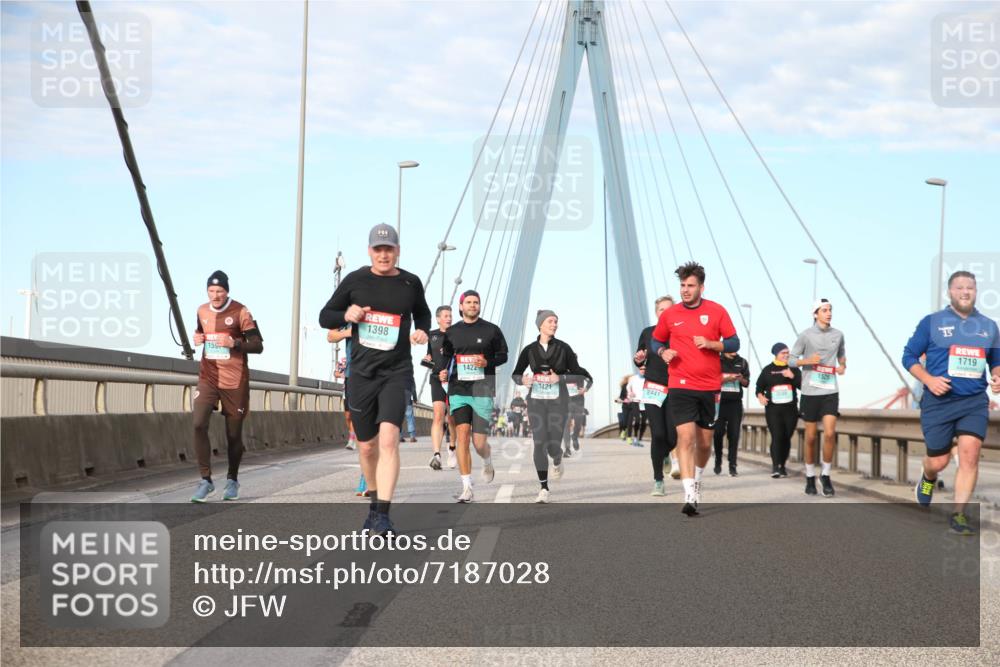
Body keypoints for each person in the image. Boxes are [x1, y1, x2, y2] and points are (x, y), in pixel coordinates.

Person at [319, 223, 430, 535]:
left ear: (397, 251)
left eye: (389, 249)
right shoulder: (355, 281)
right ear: (370, 251)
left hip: (396, 372)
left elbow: (423, 313)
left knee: (389, 440)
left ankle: (382, 512)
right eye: (378, 249)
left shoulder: (411, 282)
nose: (384, 254)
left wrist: (421, 330)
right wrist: (347, 314)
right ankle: (372, 500)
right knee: (367, 448)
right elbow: (325, 316)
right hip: (362, 374)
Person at [905, 270, 1000, 535]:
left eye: (970, 287)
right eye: (959, 287)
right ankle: (928, 477)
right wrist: (929, 379)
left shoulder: (989, 326)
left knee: (970, 455)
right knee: (939, 461)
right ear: (950, 292)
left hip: (973, 401)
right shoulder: (932, 322)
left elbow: (996, 361)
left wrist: (996, 375)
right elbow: (909, 356)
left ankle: (959, 515)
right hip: (939, 402)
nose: (965, 292)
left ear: (976, 291)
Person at [651, 261, 739, 516]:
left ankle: (697, 479)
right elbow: (657, 339)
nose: (685, 290)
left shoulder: (716, 311)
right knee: (686, 438)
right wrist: (663, 351)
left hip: (709, 386)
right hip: (679, 383)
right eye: (682, 285)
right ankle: (690, 494)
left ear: (701, 287)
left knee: (704, 443)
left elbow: (734, 341)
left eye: (690, 286)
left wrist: (713, 344)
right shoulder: (671, 315)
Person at [190, 271, 264, 503]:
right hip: (208, 376)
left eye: (219, 291)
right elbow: (201, 332)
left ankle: (232, 479)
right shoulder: (202, 310)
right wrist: (198, 338)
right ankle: (205, 480)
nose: (215, 296)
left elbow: (258, 345)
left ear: (227, 291)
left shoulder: (241, 312)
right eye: (211, 291)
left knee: (233, 435)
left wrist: (234, 343)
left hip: (235, 379)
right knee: (198, 423)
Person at [511, 310, 592, 503]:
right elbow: (515, 374)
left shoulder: (564, 348)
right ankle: (544, 488)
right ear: (540, 324)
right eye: (550, 321)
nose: (554, 324)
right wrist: (523, 380)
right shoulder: (529, 350)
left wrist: (561, 378)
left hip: (559, 402)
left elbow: (580, 374)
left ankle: (557, 458)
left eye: (556, 321)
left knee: (553, 445)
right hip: (536, 402)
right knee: (539, 442)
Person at [436, 290, 507, 503]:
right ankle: (467, 487)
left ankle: (487, 459)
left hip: (483, 389)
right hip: (458, 390)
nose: (473, 305)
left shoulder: (491, 330)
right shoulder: (452, 332)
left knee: (479, 443)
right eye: (469, 302)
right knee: (462, 435)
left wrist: (488, 363)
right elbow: (447, 359)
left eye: (476, 302)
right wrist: (441, 372)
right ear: (461, 306)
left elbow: (503, 355)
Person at [789, 298, 846, 498]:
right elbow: (791, 360)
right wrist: (807, 360)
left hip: (830, 390)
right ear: (815, 314)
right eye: (824, 310)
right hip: (810, 392)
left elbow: (842, 354)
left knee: (830, 434)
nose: (829, 313)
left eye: (830, 309)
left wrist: (842, 366)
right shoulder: (805, 335)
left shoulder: (838, 335)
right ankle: (810, 476)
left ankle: (826, 475)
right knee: (811, 437)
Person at [634, 295, 679, 496]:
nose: (665, 313)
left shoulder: (681, 332)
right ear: (656, 312)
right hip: (653, 386)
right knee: (658, 434)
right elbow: (639, 357)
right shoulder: (648, 332)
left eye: (669, 309)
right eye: (661, 309)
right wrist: (639, 358)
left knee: (672, 437)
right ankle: (658, 480)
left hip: (676, 388)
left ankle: (665, 453)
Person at [331, 325, 368, 496]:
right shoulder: (348, 314)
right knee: (362, 427)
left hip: (380, 374)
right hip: (354, 376)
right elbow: (331, 336)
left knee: (379, 429)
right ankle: (366, 475)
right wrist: (349, 332)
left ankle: (372, 475)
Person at [755, 343, 802, 478]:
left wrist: (792, 377)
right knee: (777, 436)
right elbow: (759, 387)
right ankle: (775, 466)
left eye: (787, 352)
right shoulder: (768, 370)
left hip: (790, 409)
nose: (786, 355)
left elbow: (802, 386)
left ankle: (782, 465)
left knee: (786, 437)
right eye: (783, 353)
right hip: (773, 409)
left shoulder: (793, 369)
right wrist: (760, 397)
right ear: (776, 354)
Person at [423, 306, 457, 470]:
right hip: (436, 379)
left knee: (451, 418)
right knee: (438, 416)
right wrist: (427, 359)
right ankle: (436, 454)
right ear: (438, 319)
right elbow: (430, 356)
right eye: (445, 316)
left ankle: (452, 448)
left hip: (454, 380)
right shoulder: (432, 335)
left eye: (450, 316)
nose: (449, 318)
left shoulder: (458, 334)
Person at [714, 350, 750, 476]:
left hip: (735, 404)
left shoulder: (742, 362)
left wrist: (741, 379)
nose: (734, 350)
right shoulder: (716, 361)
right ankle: (718, 459)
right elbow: (711, 381)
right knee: (718, 433)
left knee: (734, 435)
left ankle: (732, 465)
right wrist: (725, 379)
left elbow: (747, 383)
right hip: (719, 403)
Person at [562, 372, 589, 457]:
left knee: (578, 424)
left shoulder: (581, 372)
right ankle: (567, 449)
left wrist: (586, 389)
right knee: (566, 424)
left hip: (579, 402)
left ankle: (574, 437)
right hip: (566, 402)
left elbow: (590, 381)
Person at [625, 370, 647, 447]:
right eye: (641, 369)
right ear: (638, 370)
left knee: (644, 422)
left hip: (644, 402)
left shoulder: (648, 378)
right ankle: (634, 437)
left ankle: (639, 437)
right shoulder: (633, 378)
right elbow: (628, 386)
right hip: (635, 401)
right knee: (637, 420)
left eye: (644, 369)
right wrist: (630, 392)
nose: (643, 370)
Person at [402, 375, 418, 442]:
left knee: (399, 419)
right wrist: (415, 399)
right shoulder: (409, 375)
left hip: (398, 400)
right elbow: (413, 388)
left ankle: (399, 437)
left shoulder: (395, 374)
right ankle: (412, 437)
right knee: (410, 418)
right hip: (408, 399)